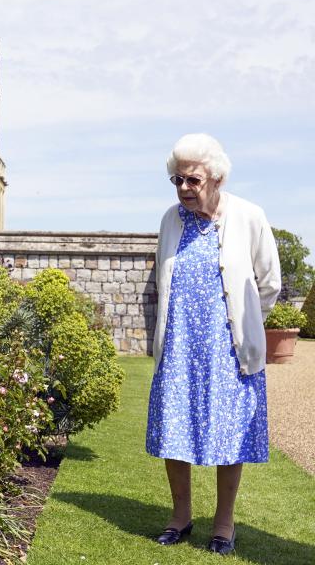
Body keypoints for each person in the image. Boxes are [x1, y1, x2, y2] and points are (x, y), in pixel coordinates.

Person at [145, 133, 281, 555]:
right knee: (174, 432)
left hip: (228, 351)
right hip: (179, 347)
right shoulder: (171, 220)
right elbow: (162, 282)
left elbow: (269, 283)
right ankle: (180, 516)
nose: (184, 188)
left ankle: (224, 523)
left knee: (229, 436)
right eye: (177, 180)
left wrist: (244, 325)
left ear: (217, 178)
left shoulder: (249, 216)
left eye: (193, 180)